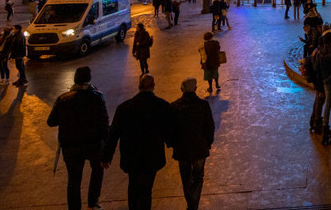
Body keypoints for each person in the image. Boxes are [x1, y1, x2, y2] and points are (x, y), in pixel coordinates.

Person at [102, 74, 173, 210]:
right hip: (152, 156)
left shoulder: (124, 108)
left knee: (133, 185)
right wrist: (171, 143)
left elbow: (114, 134)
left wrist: (106, 156)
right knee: (147, 188)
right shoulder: (162, 106)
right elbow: (168, 129)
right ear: (153, 86)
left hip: (131, 156)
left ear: (138, 86)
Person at [47, 66, 109, 210]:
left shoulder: (62, 99)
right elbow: (104, 123)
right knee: (97, 172)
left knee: (73, 181)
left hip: (71, 147)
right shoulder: (97, 97)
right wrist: (106, 148)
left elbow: (51, 122)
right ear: (89, 79)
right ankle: (93, 203)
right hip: (93, 144)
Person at [168, 78, 216, 210]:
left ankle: (191, 202)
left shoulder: (174, 107)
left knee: (185, 177)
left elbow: (169, 129)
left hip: (182, 150)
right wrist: (208, 142)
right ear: (195, 89)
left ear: (181, 89)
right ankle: (194, 203)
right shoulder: (203, 105)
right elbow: (210, 126)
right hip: (199, 148)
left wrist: (172, 144)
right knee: (198, 177)